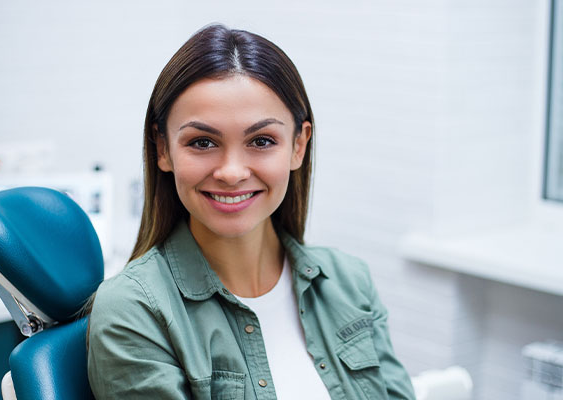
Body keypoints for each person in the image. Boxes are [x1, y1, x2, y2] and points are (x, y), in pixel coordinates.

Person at [86, 24, 415, 400]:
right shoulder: (132, 312)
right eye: (202, 142)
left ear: (298, 145)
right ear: (163, 149)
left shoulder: (349, 281)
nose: (231, 172)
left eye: (261, 141)